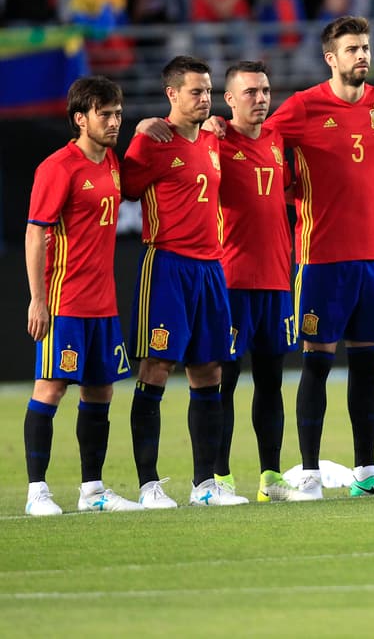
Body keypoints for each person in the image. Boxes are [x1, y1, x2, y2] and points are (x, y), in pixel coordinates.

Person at [264, 15, 374, 497]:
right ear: (330, 58)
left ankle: (366, 473)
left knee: (368, 367)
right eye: (352, 49)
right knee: (317, 364)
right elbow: (258, 139)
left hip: (372, 258)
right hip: (321, 258)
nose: (362, 56)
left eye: (366, 47)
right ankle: (309, 472)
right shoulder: (304, 106)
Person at [122, 56, 247, 508]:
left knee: (209, 370)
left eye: (208, 91)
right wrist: (138, 128)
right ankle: (148, 484)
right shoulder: (152, 141)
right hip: (168, 265)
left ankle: (204, 486)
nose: (205, 99)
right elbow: (124, 188)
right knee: (156, 367)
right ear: (171, 94)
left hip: (211, 268)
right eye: (195, 91)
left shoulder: (214, 137)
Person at [23, 76, 142, 516]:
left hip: (103, 304)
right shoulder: (58, 167)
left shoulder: (112, 162)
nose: (114, 122)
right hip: (65, 302)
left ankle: (93, 490)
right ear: (80, 119)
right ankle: (38, 491)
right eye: (104, 114)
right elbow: (36, 235)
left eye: (117, 113)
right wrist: (38, 299)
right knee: (51, 388)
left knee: (100, 393)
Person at [217, 61, 311, 501]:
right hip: (232, 281)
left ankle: (270, 477)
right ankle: (217, 478)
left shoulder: (277, 140)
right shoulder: (213, 141)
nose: (260, 98)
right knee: (224, 382)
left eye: (265, 90)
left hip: (276, 282)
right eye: (250, 91)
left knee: (271, 382)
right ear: (229, 99)